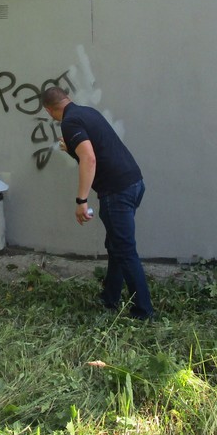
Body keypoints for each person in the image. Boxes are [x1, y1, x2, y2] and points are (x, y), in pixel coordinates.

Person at [41, 86, 154, 320]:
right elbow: (94, 151)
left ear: (49, 110)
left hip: (117, 192)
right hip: (134, 183)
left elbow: (89, 158)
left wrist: (81, 200)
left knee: (125, 250)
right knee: (116, 246)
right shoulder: (86, 112)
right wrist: (71, 149)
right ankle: (110, 297)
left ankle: (143, 312)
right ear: (67, 98)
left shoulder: (69, 122)